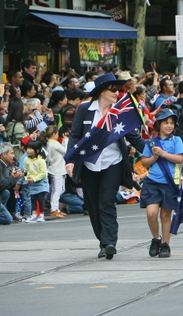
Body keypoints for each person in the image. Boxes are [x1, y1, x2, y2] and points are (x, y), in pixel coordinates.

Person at [66, 73, 146, 260]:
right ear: (101, 91)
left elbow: (134, 137)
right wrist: (70, 160)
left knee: (107, 201)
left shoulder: (119, 111)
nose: (117, 93)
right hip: (88, 164)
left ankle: (110, 242)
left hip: (113, 162)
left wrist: (153, 151)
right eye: (113, 89)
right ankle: (103, 241)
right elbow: (75, 136)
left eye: (119, 90)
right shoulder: (84, 109)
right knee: (92, 205)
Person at [139, 109, 183, 258]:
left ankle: (166, 244)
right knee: (151, 213)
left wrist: (163, 153)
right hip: (152, 182)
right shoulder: (151, 142)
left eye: (172, 123)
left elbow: (179, 159)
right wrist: (154, 157)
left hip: (169, 183)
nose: (169, 125)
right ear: (159, 124)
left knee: (166, 215)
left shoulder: (176, 140)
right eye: (166, 122)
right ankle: (156, 238)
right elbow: (144, 162)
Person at [23, 139, 49, 222]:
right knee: (32, 198)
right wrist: (27, 178)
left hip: (41, 182)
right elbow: (25, 170)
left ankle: (41, 214)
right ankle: (34, 215)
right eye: (28, 148)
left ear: (37, 150)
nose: (28, 150)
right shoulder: (26, 159)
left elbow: (44, 173)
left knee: (40, 198)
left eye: (31, 149)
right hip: (32, 182)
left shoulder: (41, 161)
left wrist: (34, 179)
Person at [45, 125, 67, 218]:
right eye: (57, 133)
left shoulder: (49, 143)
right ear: (54, 134)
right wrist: (66, 140)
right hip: (57, 170)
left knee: (58, 189)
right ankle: (54, 209)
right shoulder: (55, 144)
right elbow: (65, 151)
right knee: (58, 190)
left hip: (54, 168)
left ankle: (55, 208)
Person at [0, 144, 25, 224]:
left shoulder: (4, 165)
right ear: (4, 154)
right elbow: (1, 185)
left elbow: (5, 185)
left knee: (6, 193)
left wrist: (15, 177)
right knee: (7, 219)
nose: (13, 156)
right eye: (11, 153)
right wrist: (13, 177)